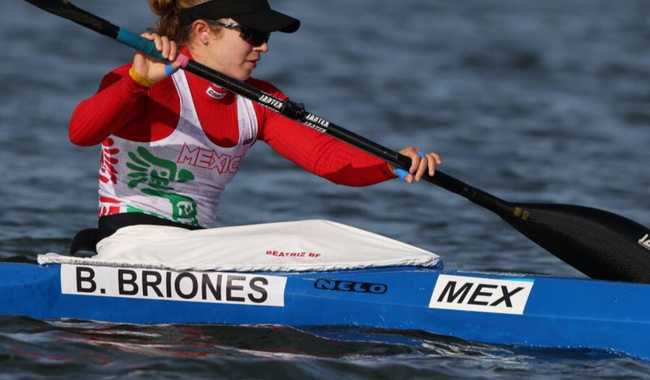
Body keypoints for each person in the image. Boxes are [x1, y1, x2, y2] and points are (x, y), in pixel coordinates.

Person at [68, 0, 442, 247]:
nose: (264, 47)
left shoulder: (259, 100)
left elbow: (325, 156)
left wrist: (389, 163)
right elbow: (81, 133)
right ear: (202, 32)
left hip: (195, 248)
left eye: (266, 37)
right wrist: (136, 83)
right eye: (253, 35)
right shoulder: (148, 79)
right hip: (130, 241)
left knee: (314, 236)